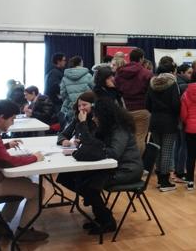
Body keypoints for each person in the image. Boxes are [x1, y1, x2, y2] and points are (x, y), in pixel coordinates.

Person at [57, 99, 143, 235]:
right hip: (112, 167)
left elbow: (114, 153)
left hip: (127, 169)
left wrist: (86, 128)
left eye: (97, 116)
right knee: (66, 176)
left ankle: (106, 220)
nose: (95, 118)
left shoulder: (120, 129)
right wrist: (86, 134)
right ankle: (98, 211)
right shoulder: (107, 128)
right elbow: (93, 143)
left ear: (106, 116)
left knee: (89, 184)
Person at [0, 100, 48, 241]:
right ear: (2, 118)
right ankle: (24, 231)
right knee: (38, 191)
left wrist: (6, 146)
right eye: (12, 119)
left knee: (22, 182)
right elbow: (7, 162)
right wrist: (34, 157)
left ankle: (1, 225)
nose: (13, 123)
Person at [146, 62, 181, 192]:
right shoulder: (173, 84)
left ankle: (160, 178)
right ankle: (165, 181)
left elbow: (147, 104)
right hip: (169, 120)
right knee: (167, 151)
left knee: (158, 150)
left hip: (155, 120)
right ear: (172, 71)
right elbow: (176, 104)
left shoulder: (151, 83)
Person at [114, 47, 154, 154]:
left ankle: (125, 163)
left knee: (125, 138)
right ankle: (136, 164)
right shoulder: (147, 74)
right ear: (141, 59)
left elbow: (116, 91)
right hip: (142, 109)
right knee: (140, 138)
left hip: (124, 109)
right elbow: (151, 93)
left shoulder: (119, 72)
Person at [60, 56, 93, 124]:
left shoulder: (64, 78)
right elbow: (94, 91)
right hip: (85, 107)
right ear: (80, 63)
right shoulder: (88, 75)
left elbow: (63, 94)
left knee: (71, 129)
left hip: (71, 107)